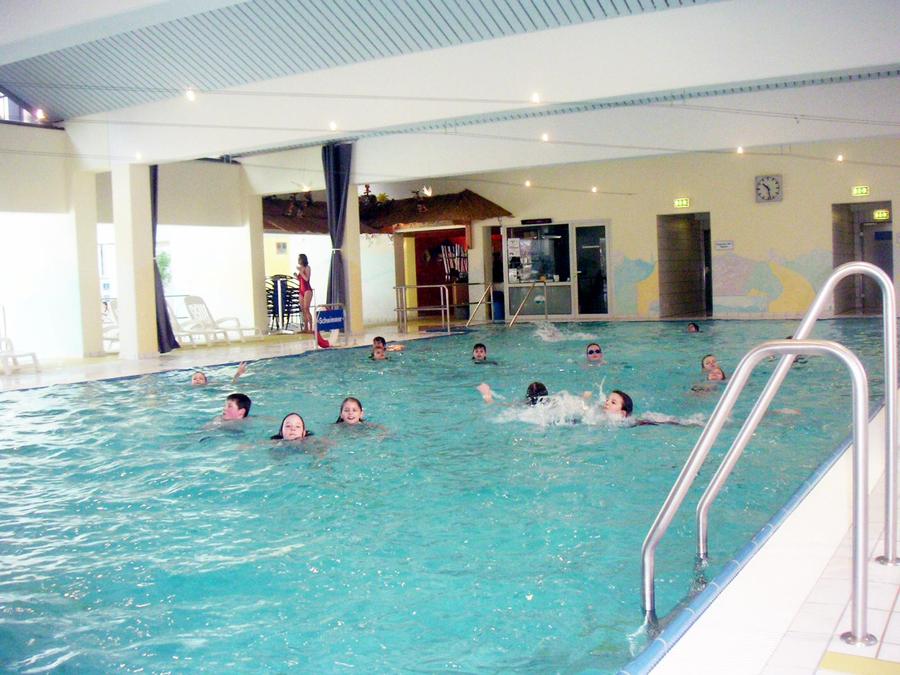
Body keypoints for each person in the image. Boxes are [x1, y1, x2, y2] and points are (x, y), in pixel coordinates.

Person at [296, 253, 313, 332]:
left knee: (306, 308)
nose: (298, 260)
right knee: (303, 309)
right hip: (301, 290)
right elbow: (300, 279)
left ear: (302, 259)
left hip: (307, 290)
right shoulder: (301, 268)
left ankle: (311, 327)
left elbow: (306, 279)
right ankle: (305, 327)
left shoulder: (307, 267)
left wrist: (301, 271)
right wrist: (296, 276)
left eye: (299, 259)